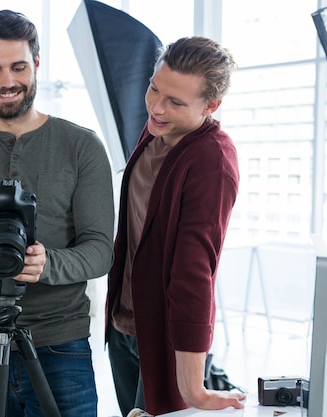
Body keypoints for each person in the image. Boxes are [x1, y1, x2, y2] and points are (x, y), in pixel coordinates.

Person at [0, 10, 115, 417]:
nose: (7, 82)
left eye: (18, 67)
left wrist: (48, 263)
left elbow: (101, 252)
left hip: (61, 344)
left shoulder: (82, 146)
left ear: (37, 64)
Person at [105, 36, 246, 416]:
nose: (157, 107)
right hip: (125, 326)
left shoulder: (211, 160)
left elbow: (194, 270)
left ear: (211, 105)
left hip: (165, 337)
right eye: (154, 88)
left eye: (176, 102)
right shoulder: (156, 130)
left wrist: (193, 387)